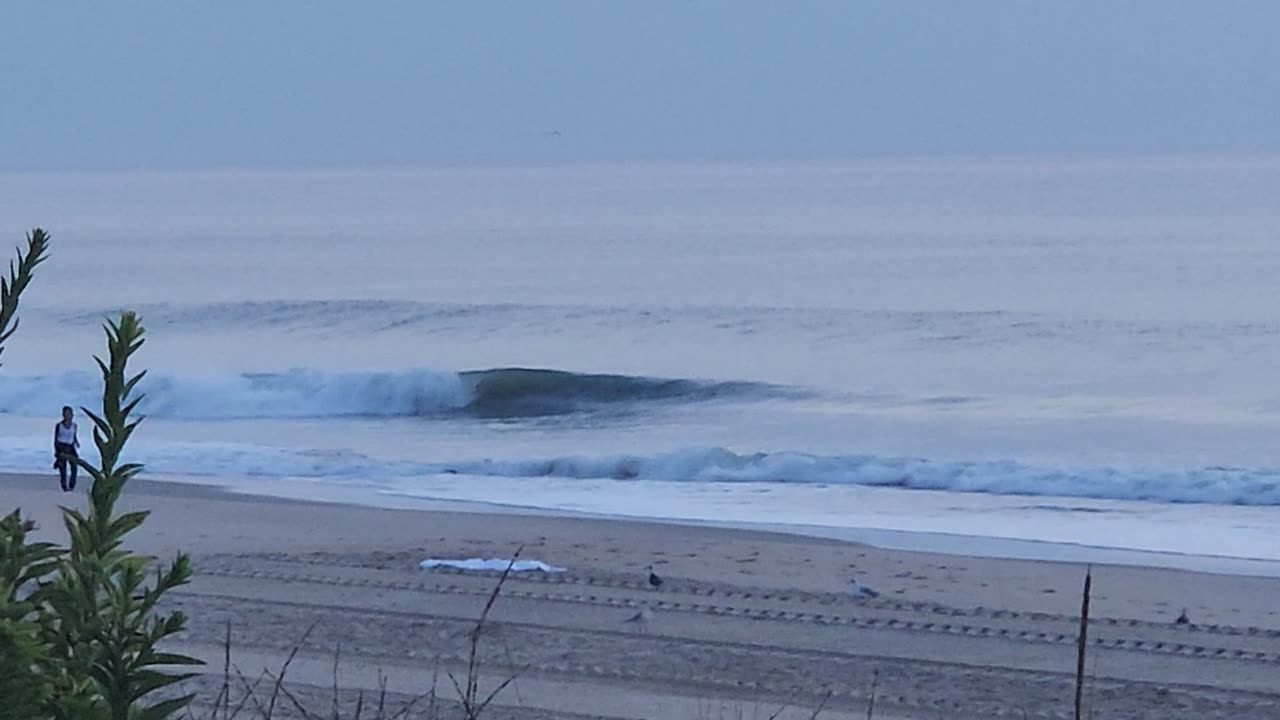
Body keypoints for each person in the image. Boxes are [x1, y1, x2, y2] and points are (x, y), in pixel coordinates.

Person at [53, 405, 80, 492]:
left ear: (72, 415)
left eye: (69, 413)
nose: (67, 415)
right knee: (63, 468)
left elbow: (74, 435)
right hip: (61, 446)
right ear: (63, 415)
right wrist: (56, 451)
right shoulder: (59, 425)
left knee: (74, 466)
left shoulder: (74, 425)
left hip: (70, 446)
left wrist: (76, 442)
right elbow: (56, 438)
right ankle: (64, 486)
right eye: (66, 413)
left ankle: (72, 485)